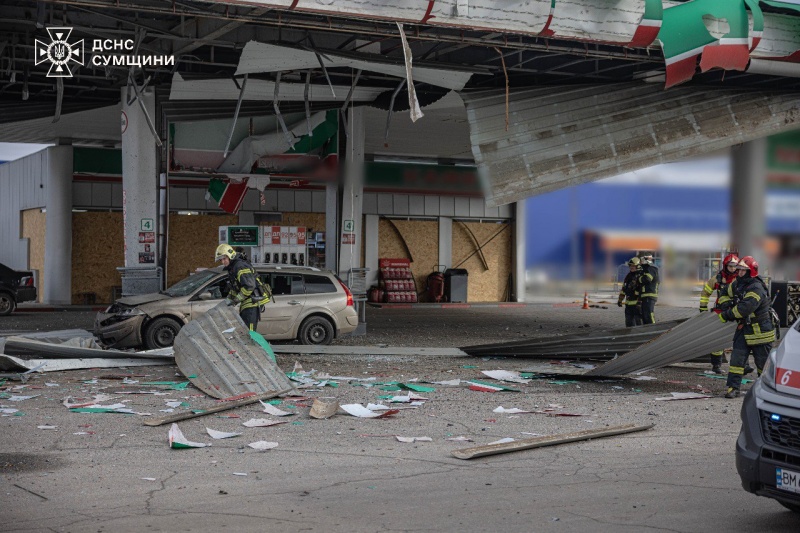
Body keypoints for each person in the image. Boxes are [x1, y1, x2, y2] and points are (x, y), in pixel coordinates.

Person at [719, 256, 775, 398]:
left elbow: (744, 309)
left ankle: (766, 389)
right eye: (739, 270)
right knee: (737, 360)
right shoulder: (737, 283)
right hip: (744, 328)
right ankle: (733, 388)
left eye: (743, 270)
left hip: (760, 331)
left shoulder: (756, 287)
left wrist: (727, 314)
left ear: (751, 271)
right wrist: (726, 304)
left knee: (763, 363)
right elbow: (724, 292)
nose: (740, 273)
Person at [699, 254, 739, 374]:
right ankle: (716, 365)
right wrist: (703, 308)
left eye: (735, 266)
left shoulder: (740, 278)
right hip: (720, 311)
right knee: (717, 339)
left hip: (737, 311)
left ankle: (743, 365)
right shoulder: (717, 278)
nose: (733, 269)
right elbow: (706, 293)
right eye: (730, 266)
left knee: (739, 339)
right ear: (725, 266)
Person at [214, 243, 269, 331]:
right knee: (244, 329)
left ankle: (250, 345)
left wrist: (236, 300)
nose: (223, 262)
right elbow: (235, 288)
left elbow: (249, 287)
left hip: (252, 301)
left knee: (249, 331)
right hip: (248, 301)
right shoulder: (233, 268)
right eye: (221, 260)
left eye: (224, 259)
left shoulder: (240, 266)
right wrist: (227, 301)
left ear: (230, 256)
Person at [617, 256, 643, 327]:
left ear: (638, 266)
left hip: (637, 305)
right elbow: (624, 289)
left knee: (639, 323)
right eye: (630, 266)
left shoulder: (641, 276)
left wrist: (640, 302)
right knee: (629, 324)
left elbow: (642, 291)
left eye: (633, 266)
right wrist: (620, 300)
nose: (631, 267)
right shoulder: (628, 276)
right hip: (628, 304)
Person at [638, 254, 659, 324]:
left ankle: (653, 327)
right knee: (644, 315)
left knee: (649, 314)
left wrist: (639, 278)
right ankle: (646, 329)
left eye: (641, 260)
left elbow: (647, 279)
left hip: (649, 295)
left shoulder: (651, 269)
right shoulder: (646, 269)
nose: (640, 262)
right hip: (645, 296)